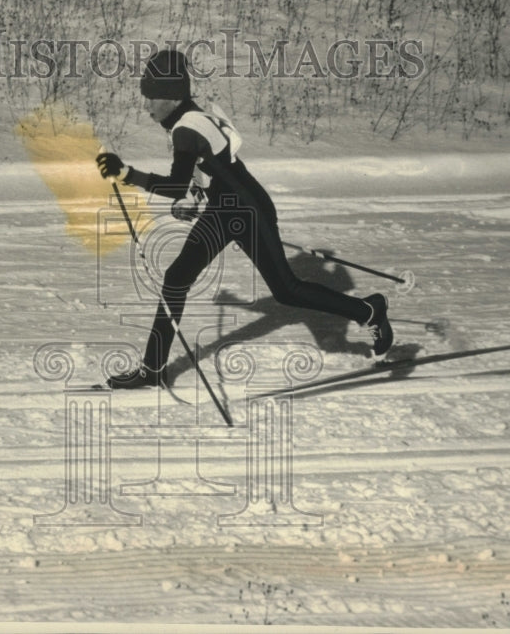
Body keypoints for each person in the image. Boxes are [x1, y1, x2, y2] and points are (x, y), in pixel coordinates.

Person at [95, 49, 393, 389]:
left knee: (287, 290)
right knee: (176, 277)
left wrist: (128, 174)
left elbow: (177, 183)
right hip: (224, 209)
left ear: (171, 97)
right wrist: (193, 199)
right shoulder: (188, 119)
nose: (146, 105)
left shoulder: (187, 128)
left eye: (151, 97)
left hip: (247, 210)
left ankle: (370, 310)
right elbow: (205, 173)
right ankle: (153, 369)